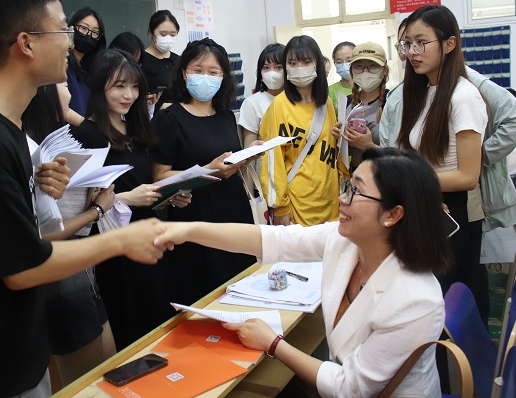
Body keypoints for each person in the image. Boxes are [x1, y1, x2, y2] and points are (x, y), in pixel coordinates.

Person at [0, 0, 166, 398]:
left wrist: (35, 184)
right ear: (26, 43)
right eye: (63, 29)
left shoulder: (4, 130)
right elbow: (21, 269)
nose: (71, 43)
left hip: (11, 348)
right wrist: (121, 240)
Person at [155, 148, 450, 397]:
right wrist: (188, 231)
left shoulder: (415, 300)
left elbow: (350, 388)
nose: (342, 198)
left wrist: (273, 343)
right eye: (347, 186)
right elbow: (272, 239)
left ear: (393, 214)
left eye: (356, 192)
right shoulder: (346, 242)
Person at [70, 49, 191, 350]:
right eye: (119, 86)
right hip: (112, 247)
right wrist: (127, 198)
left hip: (148, 237)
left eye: (135, 86)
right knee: (129, 326)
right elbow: (77, 209)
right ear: (99, 86)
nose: (129, 95)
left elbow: (142, 187)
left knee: (159, 321)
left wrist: (166, 197)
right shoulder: (83, 136)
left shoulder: (136, 132)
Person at [22, 83, 119, 384]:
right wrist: (96, 211)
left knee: (106, 363)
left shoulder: (56, 145)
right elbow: (45, 234)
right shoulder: (37, 156)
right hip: (63, 279)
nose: (71, 90)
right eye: (64, 84)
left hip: (80, 270)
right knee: (84, 380)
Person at [150, 37, 257, 306]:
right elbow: (159, 177)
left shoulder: (225, 115)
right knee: (205, 298)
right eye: (198, 70)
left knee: (242, 289)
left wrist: (247, 155)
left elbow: (228, 159)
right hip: (195, 215)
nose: (205, 77)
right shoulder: (169, 118)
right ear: (184, 73)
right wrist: (209, 170)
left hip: (233, 212)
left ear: (223, 78)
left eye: (213, 72)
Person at [390, 5, 488, 298]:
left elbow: (468, 176)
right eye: (408, 44)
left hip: (453, 211)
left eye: (421, 42)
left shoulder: (463, 96)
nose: (413, 52)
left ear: (450, 43)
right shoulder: (424, 91)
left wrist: (412, 181)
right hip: (430, 204)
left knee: (447, 301)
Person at [259, 35, 340, 227]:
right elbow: (272, 160)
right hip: (295, 206)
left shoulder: (326, 103)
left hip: (329, 202)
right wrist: (280, 208)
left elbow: (333, 152)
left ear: (317, 64)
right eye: (293, 63)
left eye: (306, 62)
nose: (299, 68)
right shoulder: (279, 105)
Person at [338, 42, 388, 172]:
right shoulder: (347, 103)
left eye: (373, 66)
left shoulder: (392, 102)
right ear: (352, 71)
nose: (365, 72)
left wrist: (369, 146)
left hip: (385, 176)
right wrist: (338, 138)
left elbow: (403, 153)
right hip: (355, 175)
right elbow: (343, 152)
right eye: (359, 66)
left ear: (384, 70)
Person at [237, 43, 285, 149]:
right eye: (266, 68)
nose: (272, 73)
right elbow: (249, 150)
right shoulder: (252, 103)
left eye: (278, 67)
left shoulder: (296, 99)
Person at [66, 7, 107, 116]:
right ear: (72, 28)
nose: (88, 35)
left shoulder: (92, 73)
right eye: (83, 28)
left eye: (95, 32)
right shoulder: (61, 64)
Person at [141, 10, 180, 112]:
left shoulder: (179, 60)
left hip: (178, 116)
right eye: (163, 34)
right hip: (152, 116)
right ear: (150, 33)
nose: (168, 39)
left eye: (172, 35)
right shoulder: (140, 60)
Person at [328, 41, 355, 111]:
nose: (344, 65)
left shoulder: (367, 88)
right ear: (335, 63)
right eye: (339, 62)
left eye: (349, 60)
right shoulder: (329, 92)